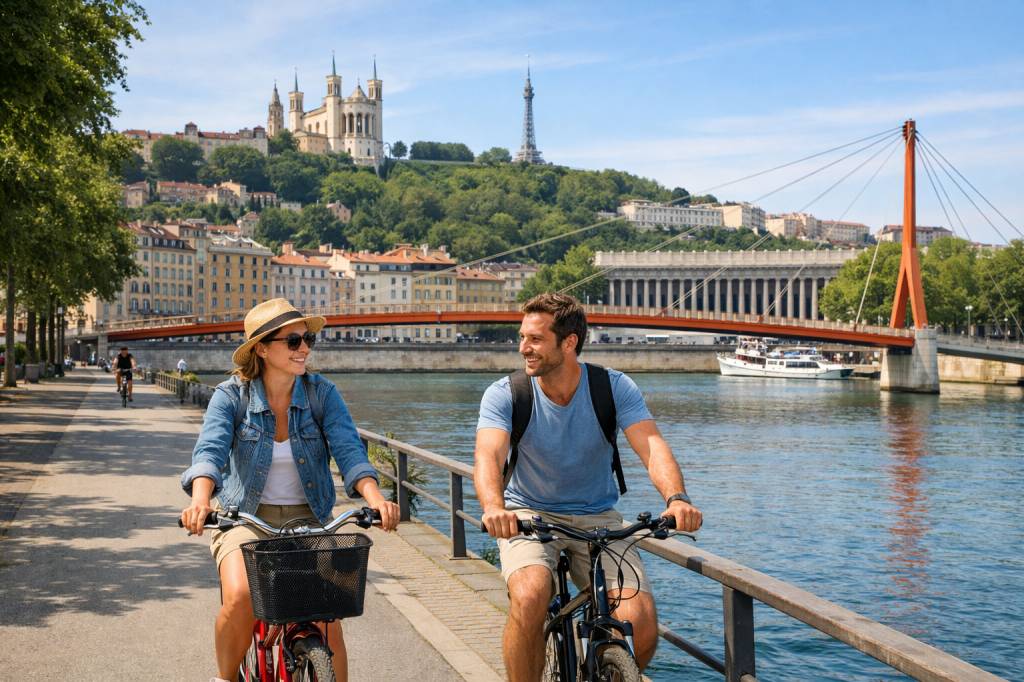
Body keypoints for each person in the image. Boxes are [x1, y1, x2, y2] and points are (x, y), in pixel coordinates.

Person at [475, 293, 702, 681]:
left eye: (535, 339)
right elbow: (488, 456)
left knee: (640, 626)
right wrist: (494, 508)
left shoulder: (612, 387)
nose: (523, 348)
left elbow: (651, 445)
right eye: (522, 337)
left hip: (598, 517)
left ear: (569, 342)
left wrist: (677, 498)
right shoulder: (507, 393)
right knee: (530, 596)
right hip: (528, 515)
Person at [179, 298, 400, 682]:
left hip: (309, 518)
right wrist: (200, 502)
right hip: (244, 518)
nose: (304, 349)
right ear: (262, 349)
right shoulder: (231, 397)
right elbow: (209, 453)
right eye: (293, 341)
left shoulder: (321, 394)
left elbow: (349, 451)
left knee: (328, 619)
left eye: (307, 339)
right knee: (241, 597)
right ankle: (224, 678)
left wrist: (376, 499)